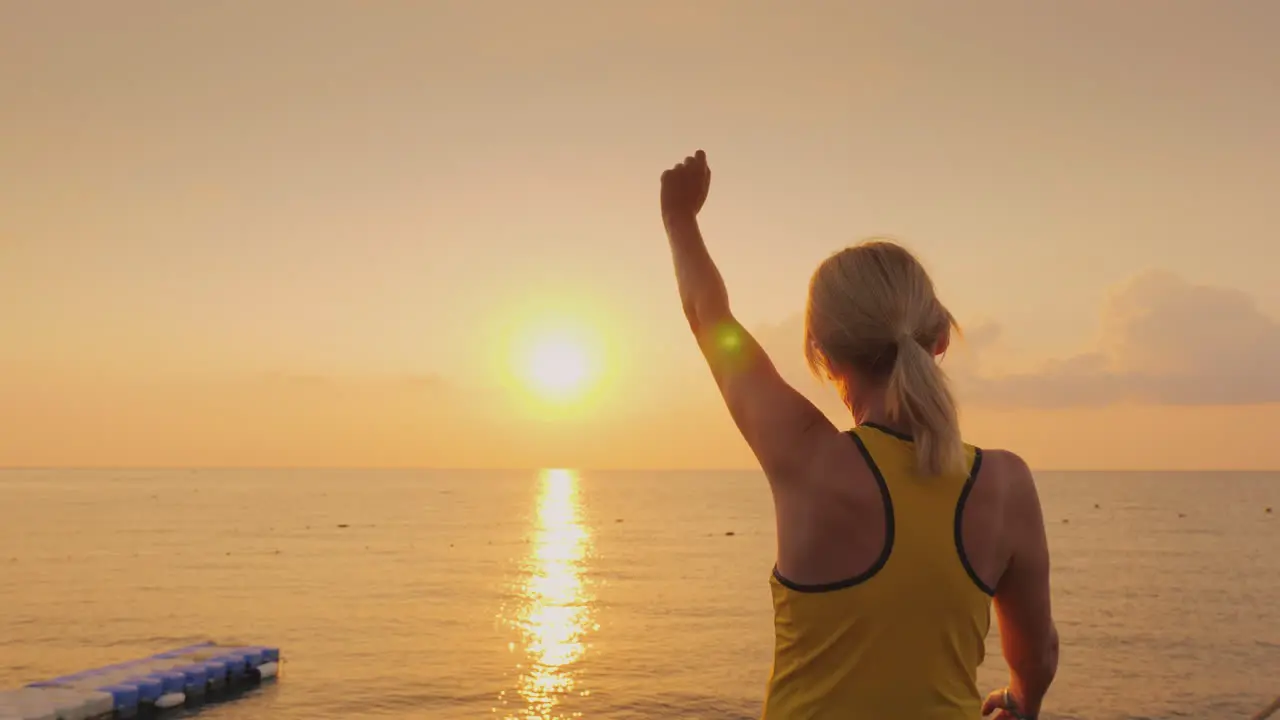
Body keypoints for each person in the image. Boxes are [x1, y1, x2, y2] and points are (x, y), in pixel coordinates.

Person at [659, 150, 1059, 719]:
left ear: (820, 352)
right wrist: (1021, 704)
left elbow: (709, 317)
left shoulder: (808, 458)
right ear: (939, 338)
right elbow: (1038, 654)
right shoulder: (1006, 484)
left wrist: (680, 218)